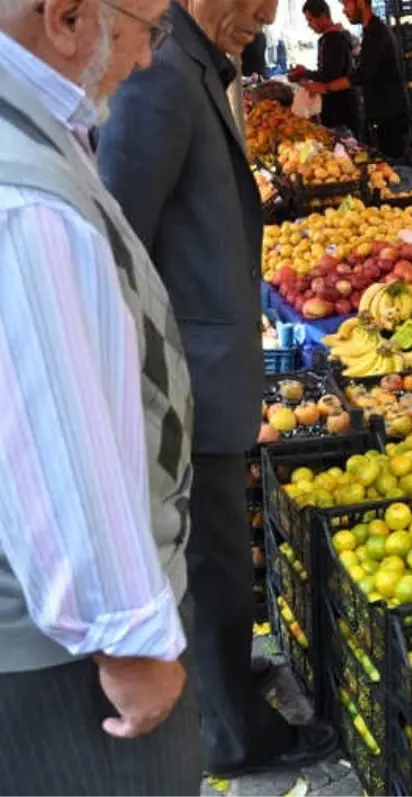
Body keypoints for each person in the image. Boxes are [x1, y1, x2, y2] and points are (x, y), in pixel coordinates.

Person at [96, 0, 337, 778]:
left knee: (222, 559)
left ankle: (231, 684)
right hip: (186, 380)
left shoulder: (193, 63)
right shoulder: (160, 74)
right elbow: (120, 242)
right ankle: (233, 735)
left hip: (209, 367)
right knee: (211, 565)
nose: (266, 16)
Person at [0, 0, 202, 793]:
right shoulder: (25, 205)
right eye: (148, 27)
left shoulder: (37, 130)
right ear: (68, 16)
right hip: (70, 665)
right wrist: (130, 642)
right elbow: (61, 434)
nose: (149, 58)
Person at [307, 0, 408, 156]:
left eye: (346, 4)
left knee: (394, 166)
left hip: (390, 115)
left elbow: (361, 75)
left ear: (360, 2)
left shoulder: (376, 33)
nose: (344, 11)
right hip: (382, 112)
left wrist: (325, 87)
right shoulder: (369, 31)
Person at [290, 0, 357, 135]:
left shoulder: (333, 39)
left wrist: (305, 73)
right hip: (345, 102)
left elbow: (330, 75)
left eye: (310, 20)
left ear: (323, 16)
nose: (309, 25)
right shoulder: (339, 35)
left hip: (339, 106)